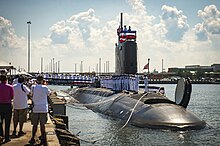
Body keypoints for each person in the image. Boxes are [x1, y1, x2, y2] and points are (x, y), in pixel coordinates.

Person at [29, 75, 51, 145]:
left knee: (35, 125)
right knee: (42, 125)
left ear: (36, 80)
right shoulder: (45, 88)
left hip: (35, 108)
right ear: (42, 80)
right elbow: (49, 94)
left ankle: (32, 138)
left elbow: (31, 95)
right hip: (44, 108)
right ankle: (43, 139)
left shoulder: (33, 87)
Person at [0, 75, 14, 144]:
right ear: (6, 79)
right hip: (7, 106)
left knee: (0, 122)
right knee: (7, 123)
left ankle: (0, 136)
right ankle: (7, 137)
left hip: (0, 106)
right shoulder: (10, 87)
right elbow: (12, 97)